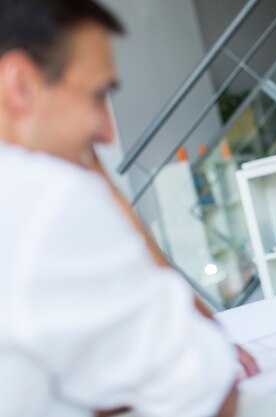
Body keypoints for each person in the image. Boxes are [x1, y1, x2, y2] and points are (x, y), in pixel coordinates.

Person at [0, 1, 255, 416]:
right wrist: (101, 186)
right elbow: (209, 390)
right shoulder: (47, 199)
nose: (106, 131)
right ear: (21, 84)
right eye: (98, 95)